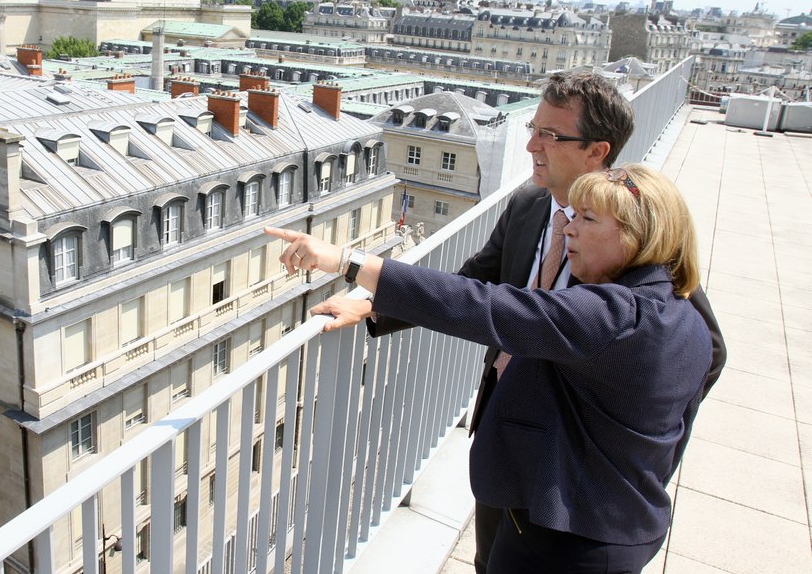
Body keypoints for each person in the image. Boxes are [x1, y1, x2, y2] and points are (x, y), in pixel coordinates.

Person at [265, 163, 712, 574]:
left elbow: (486, 307)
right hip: (622, 520)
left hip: (569, 538)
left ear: (638, 236)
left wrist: (346, 262)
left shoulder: (616, 316)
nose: (570, 228)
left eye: (589, 220)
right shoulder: (683, 311)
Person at [362, 71, 726, 574]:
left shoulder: (638, 243)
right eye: (534, 128)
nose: (532, 144)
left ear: (597, 151)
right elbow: (476, 284)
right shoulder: (528, 204)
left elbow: (706, 347)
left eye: (550, 135)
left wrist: (634, 440)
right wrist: (375, 305)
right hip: (505, 429)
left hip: (571, 476)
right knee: (491, 556)